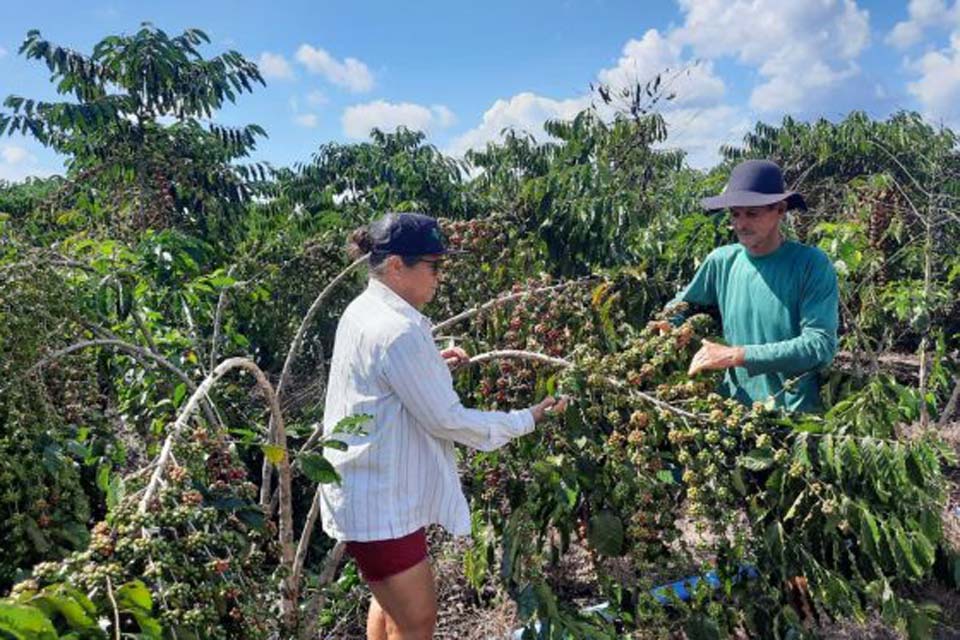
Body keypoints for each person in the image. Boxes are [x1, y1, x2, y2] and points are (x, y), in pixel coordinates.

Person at [319, 212, 565, 640]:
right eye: (434, 266)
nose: (440, 277)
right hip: (381, 505)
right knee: (418, 622)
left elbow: (386, 383)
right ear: (397, 266)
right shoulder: (396, 331)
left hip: (369, 493)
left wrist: (430, 365)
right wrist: (527, 418)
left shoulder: (365, 310)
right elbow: (447, 420)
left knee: (391, 606)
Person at [655, 159, 839, 413]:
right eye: (735, 214)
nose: (740, 224)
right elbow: (682, 304)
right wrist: (670, 323)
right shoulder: (722, 261)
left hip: (793, 415)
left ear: (780, 210)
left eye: (752, 214)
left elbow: (820, 346)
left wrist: (736, 355)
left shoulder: (810, 264)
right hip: (734, 410)